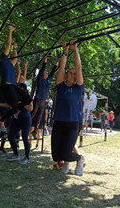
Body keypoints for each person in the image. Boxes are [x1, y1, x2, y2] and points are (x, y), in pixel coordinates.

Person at [51, 40, 85, 176]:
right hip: (59, 123)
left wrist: (75, 48)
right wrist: (65, 51)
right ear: (66, 76)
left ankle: (80, 159)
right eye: (70, 73)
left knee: (66, 153)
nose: (73, 74)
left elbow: (78, 68)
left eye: (74, 74)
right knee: (56, 155)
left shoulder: (78, 88)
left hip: (72, 124)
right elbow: (61, 68)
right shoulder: (61, 86)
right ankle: (65, 161)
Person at [0, 24, 31, 122]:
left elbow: (16, 58)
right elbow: (7, 44)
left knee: (28, 100)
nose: (9, 55)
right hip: (8, 86)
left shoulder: (10, 64)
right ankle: (2, 118)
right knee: (15, 107)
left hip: (13, 86)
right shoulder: (4, 61)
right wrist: (10, 31)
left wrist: (15, 48)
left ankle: (5, 116)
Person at [30, 56, 59, 139]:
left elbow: (53, 72)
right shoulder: (40, 79)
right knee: (33, 113)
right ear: (43, 74)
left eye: (47, 73)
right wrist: (45, 60)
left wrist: (57, 63)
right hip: (38, 98)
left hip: (43, 100)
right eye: (45, 73)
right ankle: (26, 123)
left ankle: (35, 131)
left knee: (39, 116)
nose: (46, 74)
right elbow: (42, 69)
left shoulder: (48, 80)